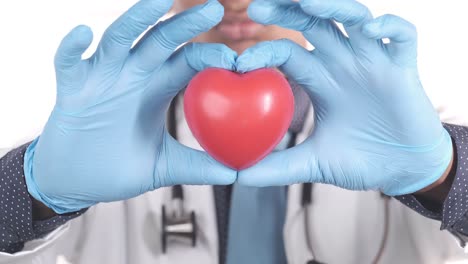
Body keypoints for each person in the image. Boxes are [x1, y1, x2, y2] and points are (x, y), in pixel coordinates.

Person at [1, 0, 468, 263]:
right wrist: (30, 193)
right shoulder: (92, 135)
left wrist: (447, 176)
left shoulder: (417, 131)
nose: (237, 1)